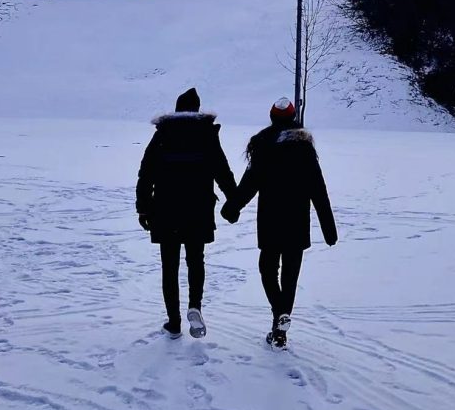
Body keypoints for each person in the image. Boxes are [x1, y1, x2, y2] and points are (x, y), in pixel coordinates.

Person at [221, 97, 337, 349]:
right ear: (293, 118)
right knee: (290, 275)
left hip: (271, 221)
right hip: (297, 222)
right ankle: (281, 325)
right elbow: (319, 190)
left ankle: (278, 315)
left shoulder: (264, 147)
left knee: (267, 269)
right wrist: (329, 228)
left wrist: (232, 208)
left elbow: (249, 183)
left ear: (272, 118)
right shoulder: (305, 150)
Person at [136, 87, 237, 339]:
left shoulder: (162, 134)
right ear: (197, 109)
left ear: (177, 108)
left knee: (169, 267)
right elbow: (222, 172)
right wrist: (234, 202)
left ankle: (173, 322)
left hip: (165, 210)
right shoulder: (206, 134)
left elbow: (145, 173)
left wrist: (143, 208)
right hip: (198, 210)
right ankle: (195, 306)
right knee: (196, 260)